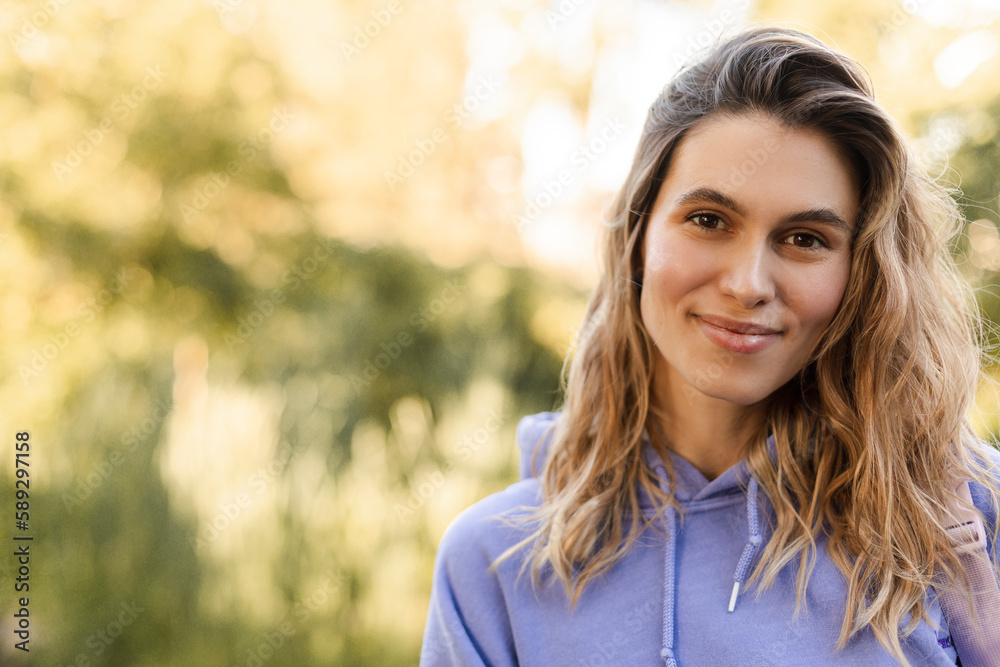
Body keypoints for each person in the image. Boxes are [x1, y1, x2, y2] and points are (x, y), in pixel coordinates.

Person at [420, 26, 1000, 666]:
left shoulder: (965, 518)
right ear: (639, 234)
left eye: (804, 238)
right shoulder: (496, 562)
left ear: (861, 273)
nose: (748, 284)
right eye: (708, 221)